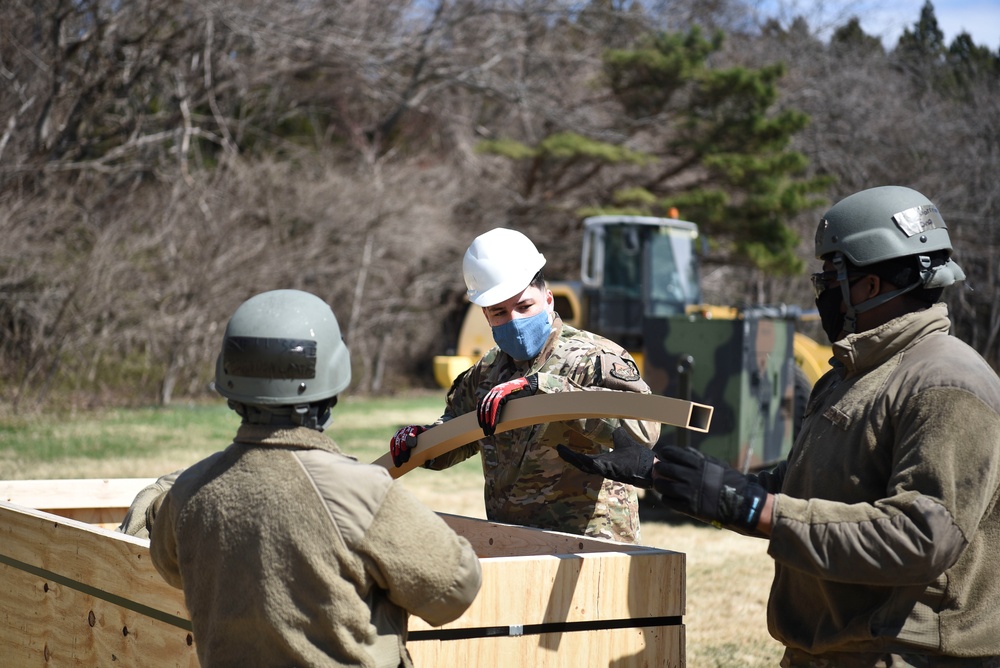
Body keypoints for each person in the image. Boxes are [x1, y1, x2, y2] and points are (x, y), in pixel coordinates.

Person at [558, 186, 1000, 666]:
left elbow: (922, 537)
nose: (822, 287)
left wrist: (756, 509)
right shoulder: (850, 375)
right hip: (830, 651)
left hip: (904, 655)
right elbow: (805, 488)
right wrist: (665, 472)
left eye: (832, 274)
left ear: (869, 284)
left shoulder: (946, 384)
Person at [145, 289, 482, 668]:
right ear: (333, 378)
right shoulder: (361, 492)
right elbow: (456, 588)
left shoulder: (190, 492)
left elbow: (170, 565)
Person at [390, 227, 661, 544]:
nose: (514, 321)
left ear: (548, 299)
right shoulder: (487, 372)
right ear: (485, 315)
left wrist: (543, 388)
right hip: (512, 543)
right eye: (499, 312)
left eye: (524, 306)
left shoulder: (595, 359)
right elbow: (458, 433)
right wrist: (423, 444)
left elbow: (644, 433)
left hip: (590, 547)